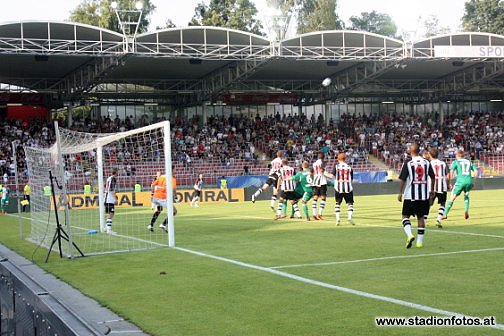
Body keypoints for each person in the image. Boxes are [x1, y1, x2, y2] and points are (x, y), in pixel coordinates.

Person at [398, 143, 435, 249]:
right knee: (421, 217)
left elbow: (403, 179)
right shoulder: (426, 162)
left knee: (405, 216)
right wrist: (432, 190)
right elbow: (433, 177)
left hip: (410, 195)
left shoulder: (408, 163)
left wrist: (400, 192)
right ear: (419, 151)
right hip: (423, 195)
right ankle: (419, 242)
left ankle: (409, 235)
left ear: (411, 151)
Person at [441, 150, 478, 221]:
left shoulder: (456, 162)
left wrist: (449, 183)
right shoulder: (469, 162)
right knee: (466, 196)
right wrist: (473, 182)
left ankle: (445, 214)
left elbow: (451, 172)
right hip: (469, 181)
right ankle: (466, 210)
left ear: (457, 155)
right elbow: (476, 171)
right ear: (463, 155)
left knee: (452, 197)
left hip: (460, 182)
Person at [330, 153, 355, 225]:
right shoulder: (349, 167)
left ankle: (338, 219)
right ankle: (349, 217)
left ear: (338, 159)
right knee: (350, 203)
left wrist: (324, 173)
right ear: (345, 159)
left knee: (337, 203)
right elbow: (351, 180)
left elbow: (331, 176)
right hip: (348, 188)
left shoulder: (336, 166)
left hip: (338, 188)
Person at [428, 148, 450, 227]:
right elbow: (448, 175)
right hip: (442, 186)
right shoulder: (443, 163)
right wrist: (448, 184)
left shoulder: (428, 163)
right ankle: (438, 219)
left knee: (429, 204)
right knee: (442, 203)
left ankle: (423, 219)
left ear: (430, 155)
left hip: (432, 187)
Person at [311, 153, 328, 220]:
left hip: (315, 182)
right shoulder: (323, 163)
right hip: (322, 182)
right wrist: (328, 175)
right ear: (324, 157)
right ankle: (320, 214)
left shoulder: (314, 163)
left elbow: (311, 172)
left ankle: (314, 214)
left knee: (315, 198)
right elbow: (322, 170)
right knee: (323, 198)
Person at [104, 168, 119, 234]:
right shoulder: (113, 178)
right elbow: (111, 189)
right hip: (109, 199)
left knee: (110, 214)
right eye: (118, 172)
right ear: (116, 172)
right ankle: (108, 230)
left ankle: (106, 227)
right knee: (111, 214)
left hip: (107, 198)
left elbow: (105, 187)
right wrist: (115, 198)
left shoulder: (109, 178)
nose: (119, 173)